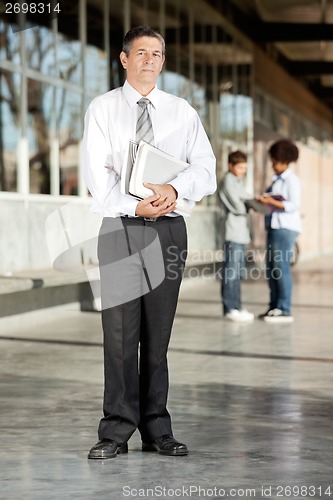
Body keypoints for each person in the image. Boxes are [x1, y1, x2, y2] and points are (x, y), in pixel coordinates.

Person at [81, 25, 216, 459]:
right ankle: (116, 430)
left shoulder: (181, 112)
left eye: (157, 54)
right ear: (124, 59)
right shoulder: (103, 109)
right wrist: (134, 205)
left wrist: (175, 192)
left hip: (169, 229)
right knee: (119, 335)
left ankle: (157, 426)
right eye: (141, 53)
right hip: (121, 227)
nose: (149, 60)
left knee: (158, 337)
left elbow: (206, 169)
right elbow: (95, 175)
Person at [256, 139, 301, 323]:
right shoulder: (276, 181)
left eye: (275, 161)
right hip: (274, 226)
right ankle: (274, 306)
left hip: (285, 228)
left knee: (281, 268)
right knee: (272, 269)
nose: (273, 165)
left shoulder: (292, 180)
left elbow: (293, 205)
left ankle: (284, 308)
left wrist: (270, 202)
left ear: (284, 160)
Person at [219, 151, 254, 322]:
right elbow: (239, 207)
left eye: (245, 168)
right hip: (232, 232)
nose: (243, 171)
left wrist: (253, 201)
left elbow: (246, 200)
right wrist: (250, 203)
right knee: (231, 273)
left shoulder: (239, 182)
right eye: (240, 167)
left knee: (238, 273)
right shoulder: (228, 182)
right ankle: (230, 308)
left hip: (241, 234)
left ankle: (238, 307)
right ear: (230, 165)